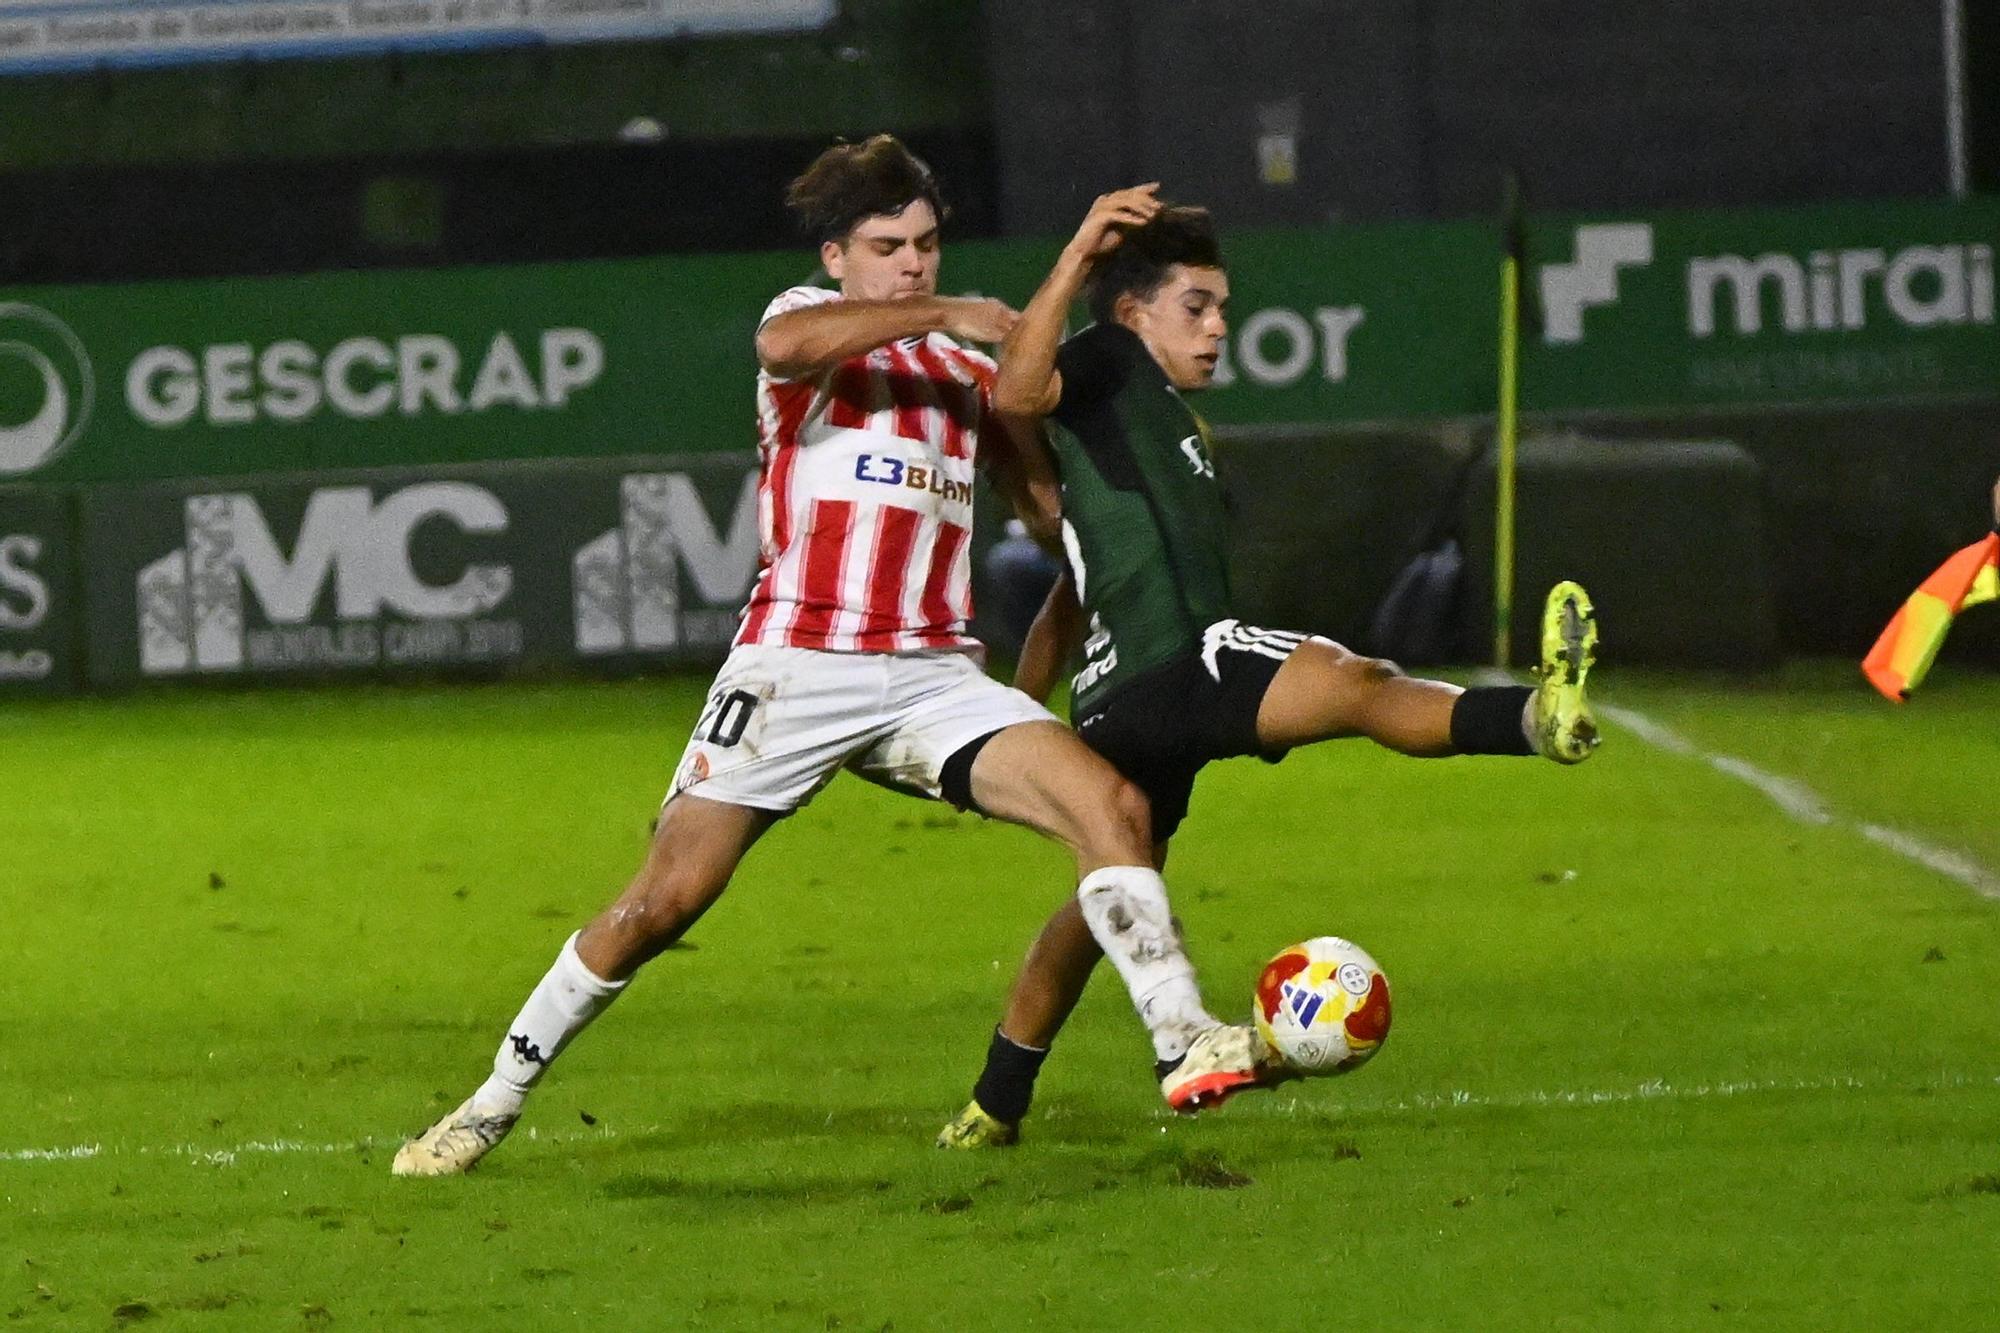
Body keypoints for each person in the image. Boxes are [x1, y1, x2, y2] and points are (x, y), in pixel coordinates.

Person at [392, 140, 1266, 1177]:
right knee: (663, 901)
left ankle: (1180, 1036)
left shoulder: (969, 370)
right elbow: (781, 346)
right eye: (887, 247)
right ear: (837, 255)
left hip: (935, 676)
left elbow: (1045, 514)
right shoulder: (809, 323)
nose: (912, 264)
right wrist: (946, 311)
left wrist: (1077, 617)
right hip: (796, 664)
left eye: (928, 246)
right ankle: (490, 1103)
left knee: (1114, 809)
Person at [936, 187, 1600, 1149]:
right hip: (1181, 663)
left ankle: (994, 1102)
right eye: (1195, 307)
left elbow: (1069, 598)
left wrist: (1013, 714)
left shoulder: (1150, 426)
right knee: (1355, 679)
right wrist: (1082, 247)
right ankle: (1537, 718)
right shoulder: (1106, 361)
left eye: (1223, 310)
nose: (1217, 330)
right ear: (1133, 312)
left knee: (1105, 903)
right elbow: (1015, 390)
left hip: (1123, 698)